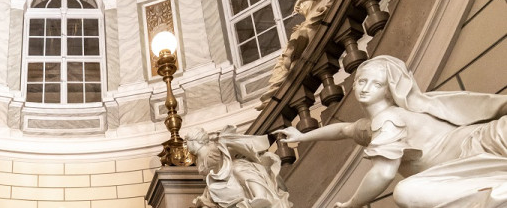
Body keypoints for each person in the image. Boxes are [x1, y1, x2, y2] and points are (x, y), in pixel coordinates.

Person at [276, 55, 507, 207]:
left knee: (405, 193)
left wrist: (352, 204)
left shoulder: (388, 120)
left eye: (376, 84)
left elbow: (384, 173)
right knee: (408, 193)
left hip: (485, 144)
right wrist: (304, 136)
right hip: (477, 153)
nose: (366, 88)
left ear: (388, 91)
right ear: (354, 84)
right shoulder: (375, 124)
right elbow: (343, 130)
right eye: (362, 81)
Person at [186, 126, 292, 208]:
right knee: (207, 196)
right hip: (216, 178)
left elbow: (224, 155)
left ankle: (261, 196)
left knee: (241, 170)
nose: (187, 146)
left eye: (187, 143)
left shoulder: (209, 148)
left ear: (194, 141)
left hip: (227, 170)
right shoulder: (199, 157)